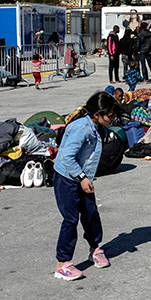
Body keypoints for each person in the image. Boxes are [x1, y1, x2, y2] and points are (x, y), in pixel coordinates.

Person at [52, 92, 119, 280]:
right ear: (97, 114)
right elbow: (67, 157)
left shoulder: (98, 127)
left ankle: (94, 248)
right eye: (110, 116)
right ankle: (62, 263)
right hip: (67, 178)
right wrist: (81, 177)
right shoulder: (81, 129)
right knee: (71, 219)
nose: (113, 119)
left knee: (91, 214)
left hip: (83, 177)